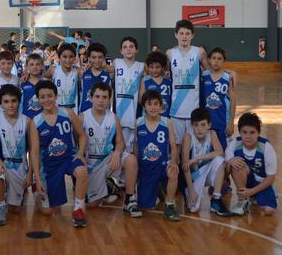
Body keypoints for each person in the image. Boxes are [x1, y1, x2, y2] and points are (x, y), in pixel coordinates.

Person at [32, 80, 89, 227]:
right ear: (38, 99)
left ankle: (78, 210)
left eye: (50, 96)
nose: (47, 100)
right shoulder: (35, 121)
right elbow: (34, 152)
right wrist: (37, 178)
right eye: (42, 97)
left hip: (69, 158)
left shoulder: (67, 113)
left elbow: (82, 135)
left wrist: (80, 153)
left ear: (56, 96)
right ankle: (38, 197)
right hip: (50, 164)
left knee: (82, 171)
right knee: (48, 211)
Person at [0, 84, 39, 226]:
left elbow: (32, 150)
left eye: (13, 101)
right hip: (3, 161)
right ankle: (0, 205)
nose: (10, 105)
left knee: (15, 209)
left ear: (19, 102)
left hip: (20, 165)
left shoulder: (27, 121)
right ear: (0, 104)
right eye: (6, 101)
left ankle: (8, 193)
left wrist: (30, 174)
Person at [82, 83, 137, 211]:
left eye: (104, 97)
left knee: (131, 160)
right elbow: (75, 143)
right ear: (90, 98)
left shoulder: (113, 118)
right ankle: (110, 187)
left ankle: (129, 199)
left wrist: (117, 153)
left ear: (109, 100)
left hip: (108, 160)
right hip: (91, 164)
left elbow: (121, 143)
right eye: (97, 96)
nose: (101, 100)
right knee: (91, 205)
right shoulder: (82, 117)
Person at [133, 89, 180, 221]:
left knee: (173, 171)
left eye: (156, 104)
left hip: (162, 165)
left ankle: (169, 205)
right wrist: (136, 166)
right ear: (144, 106)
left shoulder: (167, 122)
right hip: (145, 168)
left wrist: (173, 161)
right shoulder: (138, 122)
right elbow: (135, 145)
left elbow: (173, 146)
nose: (153, 107)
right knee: (145, 207)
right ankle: (158, 189)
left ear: (161, 106)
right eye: (149, 104)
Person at [225, 112, 278, 216]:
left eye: (252, 132)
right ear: (239, 132)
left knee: (269, 210)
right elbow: (226, 167)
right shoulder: (234, 144)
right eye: (244, 132)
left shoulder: (266, 147)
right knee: (236, 164)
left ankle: (254, 196)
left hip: (262, 182)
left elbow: (271, 178)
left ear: (258, 132)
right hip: (246, 179)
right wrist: (230, 161)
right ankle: (242, 201)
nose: (248, 136)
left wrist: (251, 191)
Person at [167, 20, 209, 146]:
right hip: (176, 109)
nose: (184, 36)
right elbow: (163, 73)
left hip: (194, 109)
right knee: (176, 145)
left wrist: (229, 72)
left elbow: (210, 72)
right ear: (176, 35)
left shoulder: (199, 52)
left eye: (187, 33)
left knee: (193, 145)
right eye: (181, 33)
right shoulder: (170, 53)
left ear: (192, 35)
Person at [181, 107, 227, 214]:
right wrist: (192, 190)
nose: (199, 129)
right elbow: (185, 167)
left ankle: (216, 199)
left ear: (209, 125)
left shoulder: (212, 134)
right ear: (191, 125)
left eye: (203, 125)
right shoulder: (188, 137)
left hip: (206, 171)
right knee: (194, 209)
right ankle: (187, 191)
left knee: (220, 161)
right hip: (193, 178)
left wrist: (198, 158)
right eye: (196, 125)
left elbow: (220, 152)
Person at [113, 36, 145, 154]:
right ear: (121, 51)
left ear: (136, 49)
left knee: (132, 149)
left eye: (131, 47)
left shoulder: (142, 66)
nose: (128, 49)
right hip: (118, 112)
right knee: (118, 147)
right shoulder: (116, 63)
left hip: (134, 112)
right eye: (125, 47)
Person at [201, 47, 236, 150]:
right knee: (208, 151)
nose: (216, 61)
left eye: (219, 58)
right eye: (214, 58)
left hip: (222, 121)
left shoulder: (228, 78)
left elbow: (233, 101)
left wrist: (231, 123)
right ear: (209, 60)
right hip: (206, 121)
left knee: (223, 151)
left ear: (224, 61)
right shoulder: (204, 76)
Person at [45, 43, 81, 112]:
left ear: (75, 58)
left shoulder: (78, 71)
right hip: (56, 111)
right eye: (64, 57)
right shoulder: (53, 69)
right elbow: (43, 76)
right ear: (59, 57)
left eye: (71, 57)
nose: (68, 60)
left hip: (73, 111)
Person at [79, 43, 113, 113]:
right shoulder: (82, 72)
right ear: (89, 58)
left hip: (103, 114)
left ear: (104, 58)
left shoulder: (109, 74)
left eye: (100, 57)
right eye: (94, 57)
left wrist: (106, 66)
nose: (97, 60)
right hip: (85, 113)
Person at [140, 51, 172, 117]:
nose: (154, 70)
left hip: (165, 116)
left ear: (162, 67)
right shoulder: (145, 80)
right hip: (149, 116)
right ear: (148, 67)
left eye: (157, 67)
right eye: (151, 67)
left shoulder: (168, 80)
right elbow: (141, 100)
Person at [0, 50, 20, 114]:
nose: (6, 66)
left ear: (13, 64)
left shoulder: (16, 79)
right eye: (3, 63)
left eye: (9, 63)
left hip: (13, 113)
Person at [20, 53, 44, 118]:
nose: (35, 67)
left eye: (37, 64)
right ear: (26, 67)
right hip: (26, 118)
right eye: (31, 64)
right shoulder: (21, 82)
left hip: (42, 119)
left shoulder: (46, 83)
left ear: (42, 66)